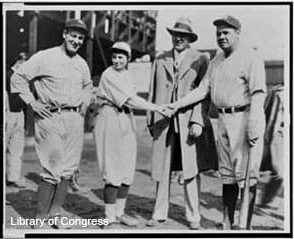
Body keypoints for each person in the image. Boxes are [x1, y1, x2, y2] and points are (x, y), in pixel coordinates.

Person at [168, 15, 267, 230]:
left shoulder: (251, 57)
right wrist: (177, 104)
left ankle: (244, 226)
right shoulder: (216, 60)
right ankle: (227, 222)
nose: (221, 37)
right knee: (228, 176)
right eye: (218, 33)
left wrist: (254, 123)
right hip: (222, 119)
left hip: (244, 118)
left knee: (247, 176)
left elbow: (259, 93)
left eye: (226, 32)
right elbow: (203, 90)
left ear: (237, 33)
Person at [11, 19, 93, 229]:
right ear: (64, 34)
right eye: (73, 35)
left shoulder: (81, 63)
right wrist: (32, 102)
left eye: (80, 38)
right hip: (50, 118)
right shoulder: (45, 57)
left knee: (67, 170)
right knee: (51, 169)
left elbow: (88, 85)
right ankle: (39, 217)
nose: (76, 41)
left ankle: (55, 215)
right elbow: (18, 77)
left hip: (74, 119)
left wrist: (85, 101)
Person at [146, 17, 214, 230]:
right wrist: (151, 121)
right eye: (175, 34)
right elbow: (151, 91)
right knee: (162, 169)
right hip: (164, 122)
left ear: (190, 38)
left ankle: (194, 216)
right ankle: (159, 214)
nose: (179, 38)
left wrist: (197, 120)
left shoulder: (201, 59)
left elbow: (205, 95)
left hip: (187, 123)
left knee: (190, 170)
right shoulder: (160, 59)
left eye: (183, 35)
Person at [94, 41, 170, 228]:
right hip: (109, 118)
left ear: (128, 59)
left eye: (121, 57)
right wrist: (157, 108)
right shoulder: (108, 74)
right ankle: (109, 216)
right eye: (114, 56)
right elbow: (130, 100)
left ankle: (120, 212)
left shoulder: (128, 74)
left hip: (125, 119)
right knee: (112, 169)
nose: (117, 60)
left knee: (127, 169)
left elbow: (130, 102)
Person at [5, 52, 28, 188]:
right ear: (19, 62)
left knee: (17, 148)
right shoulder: (7, 75)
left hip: (19, 114)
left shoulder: (23, 78)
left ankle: (13, 178)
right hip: (7, 114)